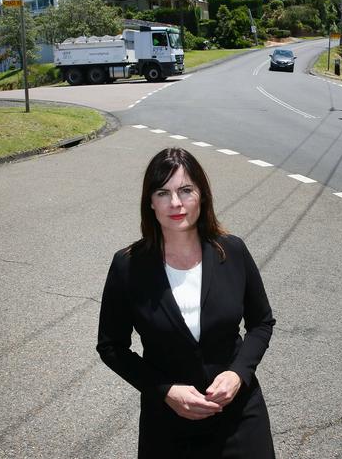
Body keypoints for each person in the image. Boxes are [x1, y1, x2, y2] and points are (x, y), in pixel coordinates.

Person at [96, 147, 276, 458]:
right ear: (150, 202)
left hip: (240, 417)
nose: (176, 203)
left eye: (186, 190)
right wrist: (164, 391)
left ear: (202, 196)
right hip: (167, 426)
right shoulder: (129, 265)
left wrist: (238, 373)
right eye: (163, 192)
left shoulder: (231, 251)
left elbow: (261, 322)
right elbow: (111, 346)